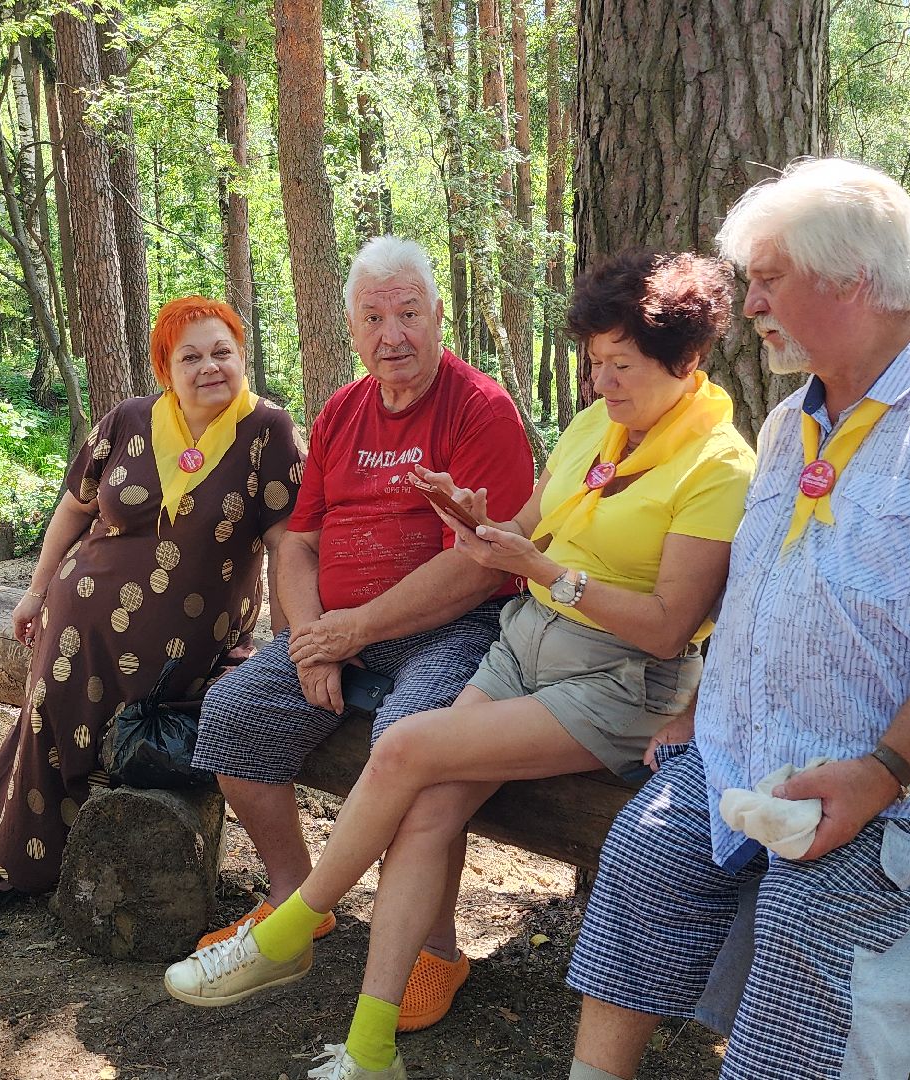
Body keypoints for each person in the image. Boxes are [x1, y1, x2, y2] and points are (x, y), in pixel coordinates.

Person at [165, 251, 756, 1080]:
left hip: (616, 681)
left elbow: (667, 629)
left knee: (407, 746)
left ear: (685, 360)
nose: (600, 383)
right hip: (524, 646)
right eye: (595, 362)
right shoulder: (597, 426)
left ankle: (288, 929)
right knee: (427, 808)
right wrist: (478, 524)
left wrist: (542, 571)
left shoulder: (719, 466)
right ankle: (370, 1048)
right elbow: (523, 531)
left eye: (620, 365)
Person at [561, 158, 910, 1080]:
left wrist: (882, 773)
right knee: (644, 857)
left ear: (853, 280)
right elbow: (762, 593)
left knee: (811, 917)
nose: (751, 305)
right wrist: (703, 709)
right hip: (759, 747)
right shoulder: (789, 423)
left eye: (769, 279)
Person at [182, 235, 536, 1034]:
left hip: (454, 629)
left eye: (408, 313)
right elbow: (299, 544)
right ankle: (293, 902)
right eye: (374, 318)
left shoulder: (480, 409)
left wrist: (350, 632)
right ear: (352, 328)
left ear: (438, 315)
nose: (392, 335)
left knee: (413, 748)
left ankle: (436, 948)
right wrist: (312, 638)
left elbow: (480, 565)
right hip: (340, 630)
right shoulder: (342, 411)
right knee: (232, 714)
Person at [0, 296, 304, 918]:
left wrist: (285, 641)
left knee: (54, 712)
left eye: (222, 352)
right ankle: (10, 861)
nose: (209, 367)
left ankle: (1, 852)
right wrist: (36, 591)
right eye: (190, 357)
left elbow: (287, 544)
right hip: (79, 611)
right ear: (165, 370)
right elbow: (75, 507)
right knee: (51, 707)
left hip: (188, 637)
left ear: (243, 357)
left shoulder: (268, 431)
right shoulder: (129, 420)